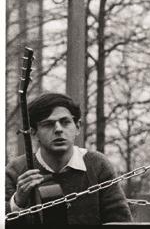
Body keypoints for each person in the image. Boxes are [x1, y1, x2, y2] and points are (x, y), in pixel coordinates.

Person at [5, 92, 132, 225]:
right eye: (48, 124)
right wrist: (17, 203)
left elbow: (120, 221)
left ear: (77, 127)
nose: (58, 129)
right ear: (34, 132)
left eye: (65, 122)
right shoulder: (17, 170)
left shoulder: (97, 165)